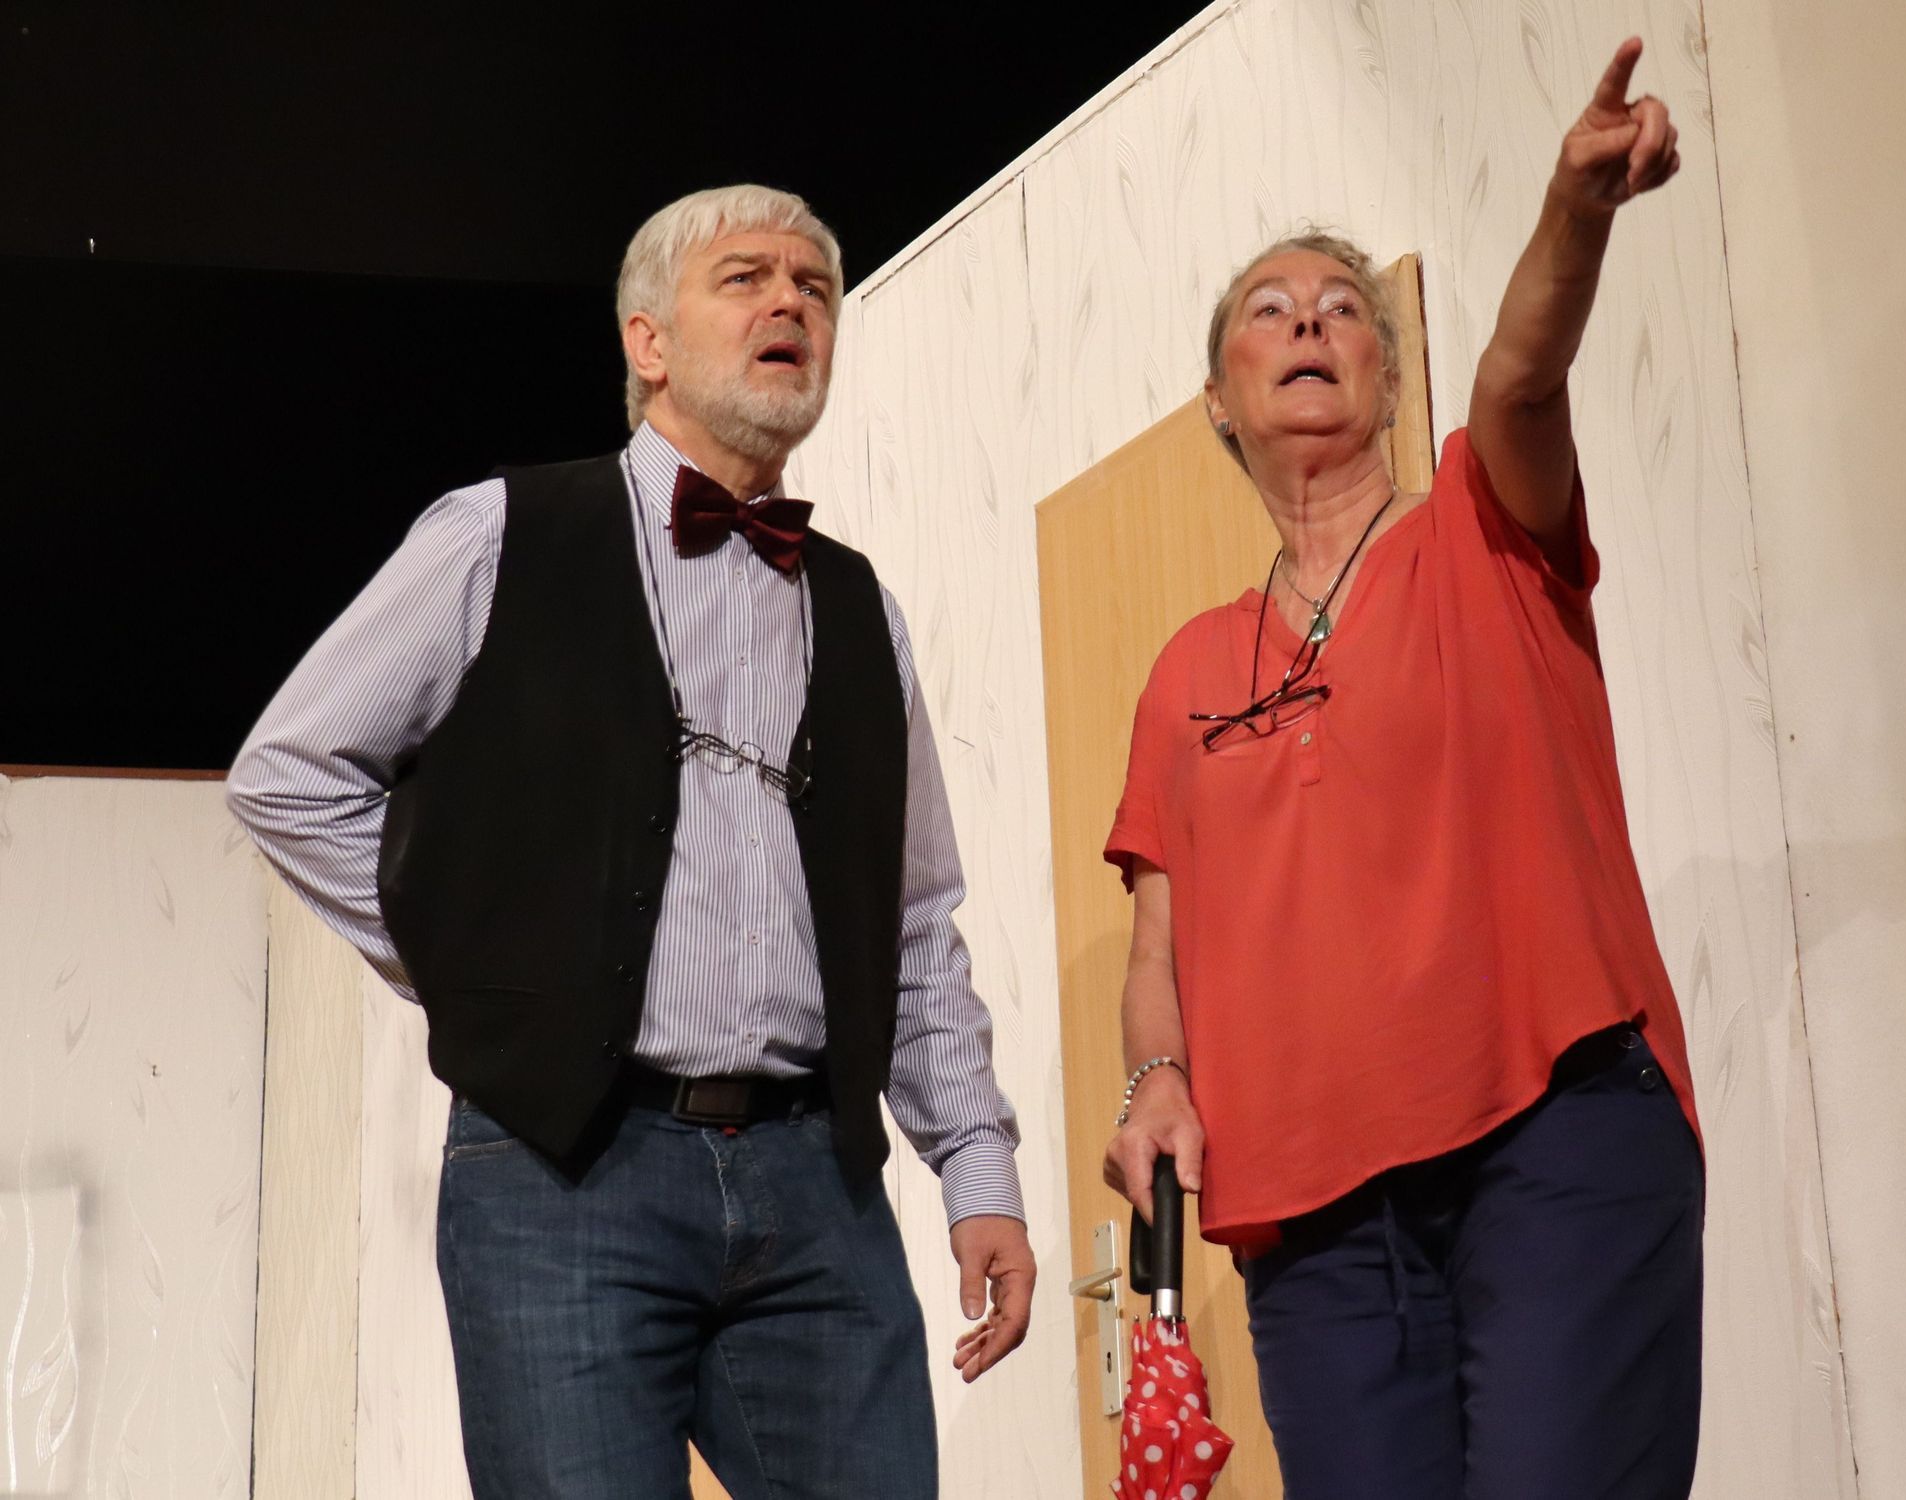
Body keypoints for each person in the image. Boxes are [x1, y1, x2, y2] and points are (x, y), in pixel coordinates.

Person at [228, 183, 1035, 1500]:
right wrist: (484, 971)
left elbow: (909, 919)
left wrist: (977, 1170)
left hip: (816, 1188)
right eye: (747, 277)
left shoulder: (858, 609)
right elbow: (290, 773)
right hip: (567, 1172)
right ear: (646, 341)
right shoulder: (501, 534)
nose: (790, 303)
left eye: (815, 288)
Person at [1100, 39, 1702, 1500]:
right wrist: (1157, 1082)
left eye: (1344, 308)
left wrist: (1574, 213)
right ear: (1218, 400)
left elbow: (1524, 375)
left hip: (1555, 1135)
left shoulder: (1480, 530)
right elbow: (1161, 943)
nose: (1310, 321)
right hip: (1314, 1216)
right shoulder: (1186, 669)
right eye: (1270, 310)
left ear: (1386, 370)